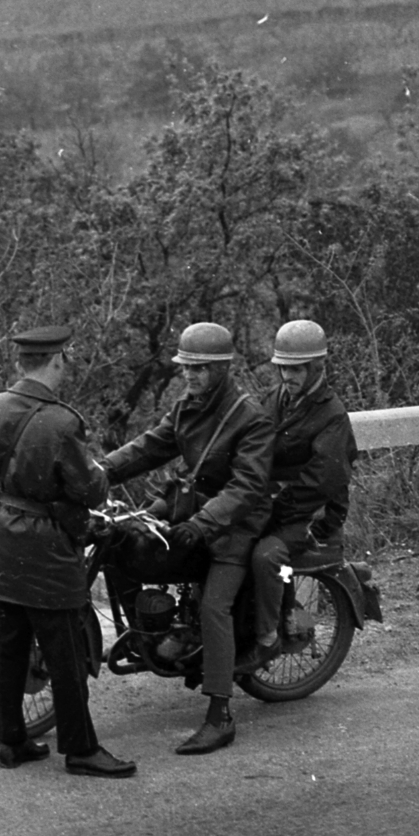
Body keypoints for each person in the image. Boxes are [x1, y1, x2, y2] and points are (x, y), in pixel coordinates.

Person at [0, 325, 136, 779]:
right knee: (65, 651)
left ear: (23, 362)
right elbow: (91, 488)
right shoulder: (62, 422)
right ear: (58, 359)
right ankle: (81, 749)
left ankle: (12, 740)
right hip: (45, 547)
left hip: (0, 537)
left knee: (10, 643)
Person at [101, 322, 274, 755]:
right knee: (120, 544)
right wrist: (100, 471)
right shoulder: (187, 407)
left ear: (221, 368)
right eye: (185, 369)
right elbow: (149, 447)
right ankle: (148, 639)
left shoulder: (250, 417)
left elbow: (247, 487)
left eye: (198, 369)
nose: (190, 376)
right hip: (190, 514)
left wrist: (201, 525)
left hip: (233, 529)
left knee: (216, 606)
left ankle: (220, 716)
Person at [239, 319, 358, 673]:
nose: (287, 376)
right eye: (283, 368)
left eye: (296, 369)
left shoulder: (332, 415)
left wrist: (272, 511)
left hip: (311, 515)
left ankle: (266, 640)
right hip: (274, 504)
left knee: (265, 556)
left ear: (316, 367)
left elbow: (322, 481)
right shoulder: (275, 399)